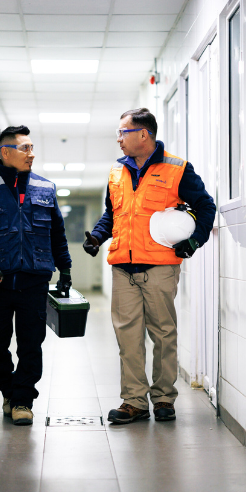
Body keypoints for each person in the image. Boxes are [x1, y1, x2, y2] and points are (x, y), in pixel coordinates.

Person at [83, 108, 215, 424]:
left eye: (122, 132)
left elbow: (206, 206)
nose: (118, 138)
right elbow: (112, 215)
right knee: (128, 338)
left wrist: (194, 240)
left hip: (159, 267)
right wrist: (98, 237)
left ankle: (164, 399)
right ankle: (134, 402)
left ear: (144, 134)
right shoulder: (117, 172)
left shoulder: (177, 168)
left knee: (163, 334)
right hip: (122, 266)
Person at [0, 125, 72, 426]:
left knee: (31, 343)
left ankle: (22, 399)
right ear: (5, 152)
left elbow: (57, 234)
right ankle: (8, 389)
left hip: (34, 279)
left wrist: (66, 268)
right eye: (25, 148)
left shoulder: (45, 188)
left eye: (32, 148)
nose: (31, 154)